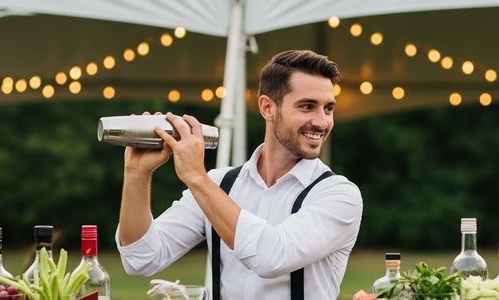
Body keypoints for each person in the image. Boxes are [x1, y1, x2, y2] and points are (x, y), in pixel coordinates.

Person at [116, 50, 363, 299]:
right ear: (268, 108)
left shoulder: (339, 195)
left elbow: (272, 257)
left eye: (328, 108)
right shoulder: (219, 184)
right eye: (307, 106)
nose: (322, 122)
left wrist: (196, 177)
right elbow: (141, 259)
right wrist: (137, 174)